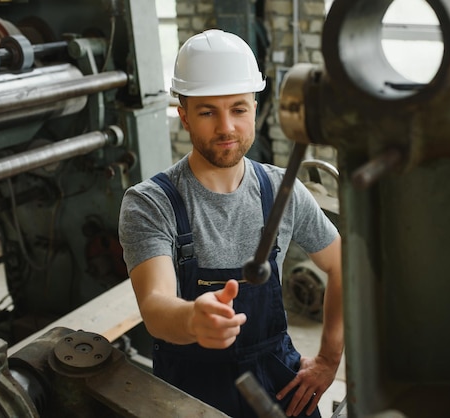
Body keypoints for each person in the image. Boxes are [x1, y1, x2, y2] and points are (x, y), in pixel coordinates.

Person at [118, 29, 343, 417]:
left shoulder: (282, 191)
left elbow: (343, 265)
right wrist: (191, 318)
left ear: (255, 108)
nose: (226, 128)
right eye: (207, 112)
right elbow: (155, 306)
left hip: (280, 382)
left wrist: (328, 359)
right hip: (189, 391)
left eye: (238, 109)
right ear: (184, 116)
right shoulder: (150, 204)